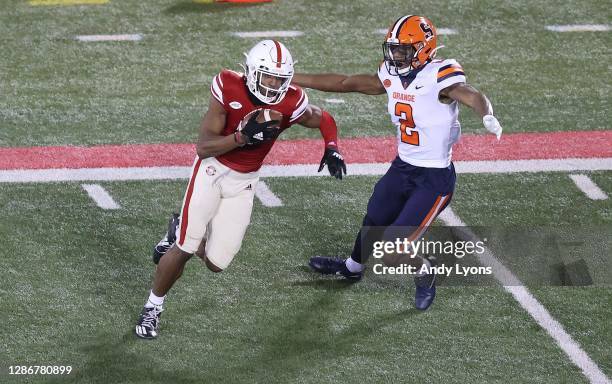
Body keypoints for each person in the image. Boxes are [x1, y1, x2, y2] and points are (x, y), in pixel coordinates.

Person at [135, 40, 347, 339]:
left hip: (245, 181)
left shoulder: (290, 101)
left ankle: (177, 228)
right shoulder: (228, 85)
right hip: (212, 170)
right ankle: (152, 307)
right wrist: (241, 137)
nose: (273, 85)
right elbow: (205, 147)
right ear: (250, 72)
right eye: (267, 76)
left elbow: (322, 117)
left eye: (279, 79)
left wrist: (332, 147)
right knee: (185, 246)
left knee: (216, 263)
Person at [292, 15, 503, 310]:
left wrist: (486, 114)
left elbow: (472, 95)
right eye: (393, 49)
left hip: (434, 178)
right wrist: (291, 77)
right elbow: (345, 83)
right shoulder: (391, 75)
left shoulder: (440, 74)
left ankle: (425, 270)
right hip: (402, 166)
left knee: (392, 251)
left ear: (424, 48)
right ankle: (353, 267)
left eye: (403, 50)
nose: (395, 56)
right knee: (375, 218)